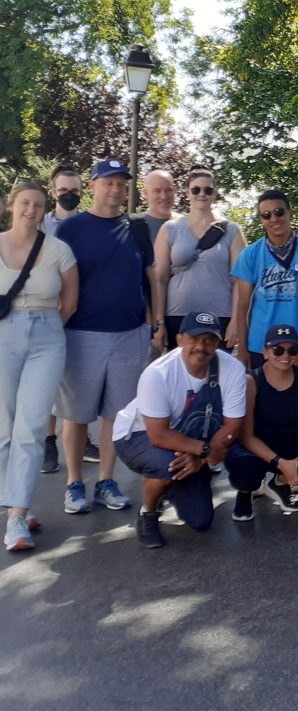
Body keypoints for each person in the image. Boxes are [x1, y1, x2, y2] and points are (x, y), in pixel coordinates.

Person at [56, 158, 162, 515]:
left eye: (121, 184)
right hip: (81, 335)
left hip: (130, 334)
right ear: (92, 187)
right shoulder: (72, 229)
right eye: (108, 183)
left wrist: (155, 321)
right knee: (77, 415)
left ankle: (105, 481)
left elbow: (152, 275)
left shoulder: (136, 226)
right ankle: (74, 483)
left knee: (117, 415)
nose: (116, 189)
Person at [113, 311, 246, 547]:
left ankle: (170, 485)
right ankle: (148, 512)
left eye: (209, 340)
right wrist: (205, 451)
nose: (201, 347)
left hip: (193, 440)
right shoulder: (157, 374)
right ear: (180, 339)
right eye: (194, 339)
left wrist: (200, 460)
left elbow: (232, 424)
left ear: (218, 343)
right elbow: (158, 434)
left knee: (200, 520)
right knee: (167, 464)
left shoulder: (232, 369)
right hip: (137, 435)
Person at [1, 181, 78, 551]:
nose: (31, 211)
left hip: (48, 335)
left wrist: (44, 331)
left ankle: (17, 514)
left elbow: (70, 302)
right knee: (3, 427)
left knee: (31, 427)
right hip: (3, 335)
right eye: (25, 204)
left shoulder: (59, 249)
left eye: (38, 205)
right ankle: (16, 499)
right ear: (11, 205)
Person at [224, 324, 298, 521]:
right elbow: (247, 436)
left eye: (292, 350)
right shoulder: (252, 381)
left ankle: (279, 483)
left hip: (290, 445)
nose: (285, 355)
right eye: (277, 349)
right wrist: (280, 462)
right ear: (265, 352)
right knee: (246, 470)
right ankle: (245, 492)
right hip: (256, 449)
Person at [155, 166, 246, 345]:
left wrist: (236, 321)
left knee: (216, 371)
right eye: (196, 189)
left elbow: (240, 281)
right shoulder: (170, 229)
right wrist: (160, 322)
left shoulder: (232, 231)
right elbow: (160, 279)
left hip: (220, 314)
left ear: (214, 193)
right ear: (187, 193)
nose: (201, 194)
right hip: (178, 315)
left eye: (208, 190)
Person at [231, 190, 298, 373]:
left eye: (279, 212)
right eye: (266, 215)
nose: (274, 219)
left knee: (297, 400)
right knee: (260, 399)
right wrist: (242, 349)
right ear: (261, 219)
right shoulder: (250, 255)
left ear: (290, 213)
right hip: (260, 345)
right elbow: (242, 306)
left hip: (295, 345)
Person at [40, 164, 85, 474]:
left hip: (84, 310)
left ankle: (79, 436)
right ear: (53, 191)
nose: (68, 195)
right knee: (48, 379)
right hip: (48, 309)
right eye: (63, 190)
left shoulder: (88, 224)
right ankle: (48, 440)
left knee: (77, 379)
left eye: (74, 190)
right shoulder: (40, 225)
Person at [140, 169, 178, 243]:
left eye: (168, 190)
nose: (164, 196)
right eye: (157, 191)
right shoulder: (133, 227)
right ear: (145, 193)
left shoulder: (186, 225)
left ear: (175, 191)